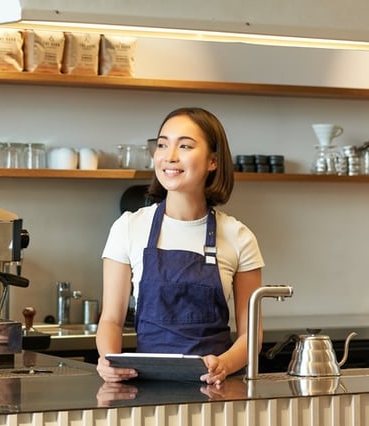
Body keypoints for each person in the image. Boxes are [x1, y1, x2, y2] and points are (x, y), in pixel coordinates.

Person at [96, 107, 265, 385]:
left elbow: (252, 335)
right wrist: (110, 360)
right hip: (145, 390)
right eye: (162, 144)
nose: (169, 156)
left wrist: (223, 364)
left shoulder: (238, 236)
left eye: (185, 145)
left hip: (216, 390)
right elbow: (111, 320)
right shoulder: (128, 228)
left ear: (213, 161)